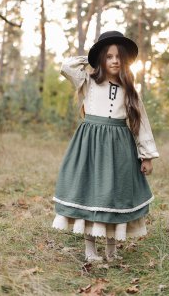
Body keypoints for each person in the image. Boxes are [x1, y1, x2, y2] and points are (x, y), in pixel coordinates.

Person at [52, 30, 159, 262]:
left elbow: (141, 123)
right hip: (89, 145)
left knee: (114, 195)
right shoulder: (87, 81)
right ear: (101, 58)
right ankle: (90, 250)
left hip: (120, 147)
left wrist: (146, 156)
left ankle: (111, 250)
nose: (114, 60)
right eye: (108, 56)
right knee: (90, 193)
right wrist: (91, 56)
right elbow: (66, 66)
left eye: (119, 56)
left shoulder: (129, 89)